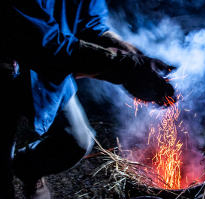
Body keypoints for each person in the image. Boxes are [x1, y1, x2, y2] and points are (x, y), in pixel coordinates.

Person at [0, 0, 175, 198]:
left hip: (51, 73)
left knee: (77, 141)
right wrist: (126, 67)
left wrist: (135, 56)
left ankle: (28, 167)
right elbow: (46, 45)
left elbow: (92, 27)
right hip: (7, 74)